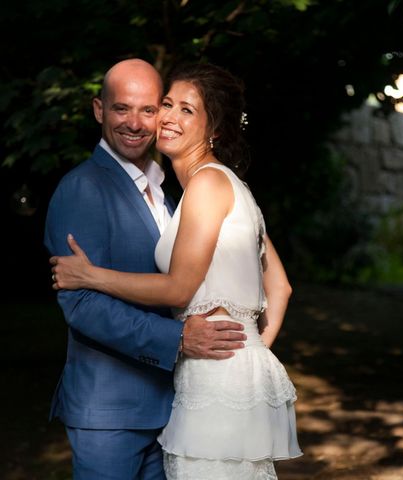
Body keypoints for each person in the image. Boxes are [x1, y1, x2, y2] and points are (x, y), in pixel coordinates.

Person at [50, 62, 302, 479]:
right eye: (168, 105)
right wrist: (252, 355)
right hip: (116, 408)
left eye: (183, 109)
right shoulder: (85, 187)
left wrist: (90, 274)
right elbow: (280, 285)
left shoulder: (194, 189)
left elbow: (180, 288)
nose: (160, 118)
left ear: (215, 128)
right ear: (99, 110)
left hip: (200, 389)